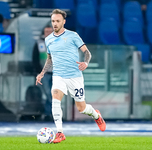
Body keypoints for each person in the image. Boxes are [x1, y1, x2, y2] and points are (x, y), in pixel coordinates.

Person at [36, 9, 106, 143]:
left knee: (82, 108)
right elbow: (50, 59)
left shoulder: (73, 35)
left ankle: (96, 115)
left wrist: (86, 62)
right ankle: (60, 133)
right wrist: (42, 73)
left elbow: (87, 53)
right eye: (53, 21)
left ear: (63, 22)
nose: (55, 24)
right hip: (58, 75)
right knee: (55, 97)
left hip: (74, 76)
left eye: (57, 21)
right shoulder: (48, 40)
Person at [32, 25, 53, 121]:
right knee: (49, 94)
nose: (48, 33)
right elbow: (35, 58)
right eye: (46, 31)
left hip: (55, 73)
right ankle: (51, 113)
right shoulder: (39, 43)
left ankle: (48, 114)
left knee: (54, 94)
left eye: (50, 31)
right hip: (44, 74)